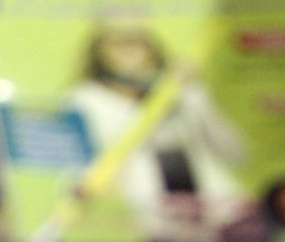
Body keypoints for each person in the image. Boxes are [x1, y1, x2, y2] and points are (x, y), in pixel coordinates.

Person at [66, 23, 249, 239]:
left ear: (152, 49)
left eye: (137, 41)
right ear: (98, 51)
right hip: (154, 224)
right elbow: (79, 179)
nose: (130, 51)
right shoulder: (85, 100)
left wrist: (195, 97)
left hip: (225, 217)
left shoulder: (183, 91)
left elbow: (237, 153)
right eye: (119, 43)